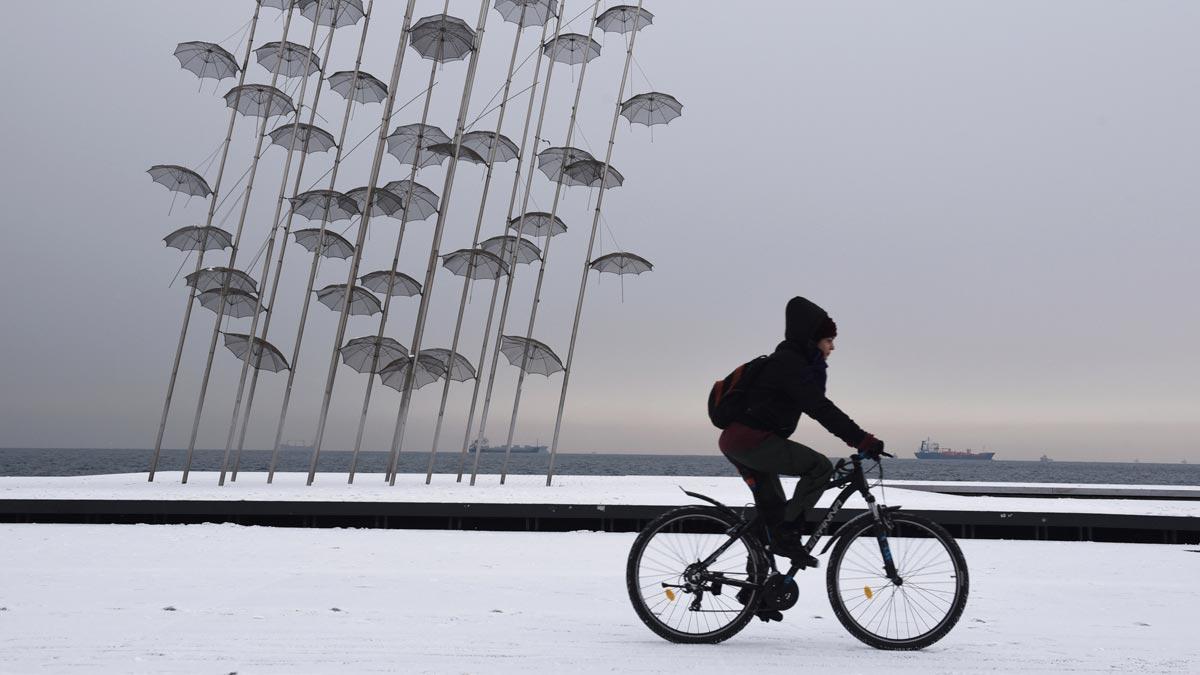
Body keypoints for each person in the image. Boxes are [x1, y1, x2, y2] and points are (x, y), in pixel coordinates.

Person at [720, 296, 885, 569]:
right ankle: (788, 536)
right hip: (749, 440)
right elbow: (820, 408)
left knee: (772, 513)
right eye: (828, 339)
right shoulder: (790, 364)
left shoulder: (793, 362)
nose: (833, 346)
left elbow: (818, 405)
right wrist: (863, 440)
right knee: (819, 467)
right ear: (812, 338)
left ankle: (757, 590)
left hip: (741, 440)